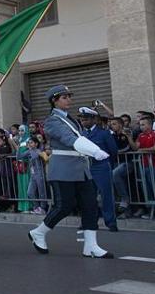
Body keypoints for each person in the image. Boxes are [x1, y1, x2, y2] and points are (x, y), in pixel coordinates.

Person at [28, 85, 113, 258]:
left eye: (69, 96)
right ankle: (39, 232)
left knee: (90, 206)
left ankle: (91, 246)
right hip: (63, 170)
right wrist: (95, 151)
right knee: (64, 206)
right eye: (64, 97)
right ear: (54, 101)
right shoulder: (52, 121)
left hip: (81, 169)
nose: (69, 100)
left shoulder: (71, 119)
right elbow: (70, 139)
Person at [78, 107, 119, 232]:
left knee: (106, 195)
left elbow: (113, 151)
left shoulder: (104, 133)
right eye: (82, 119)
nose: (83, 122)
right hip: (87, 167)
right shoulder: (82, 134)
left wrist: (107, 164)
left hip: (101, 166)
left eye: (86, 119)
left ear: (93, 119)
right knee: (88, 198)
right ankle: (89, 222)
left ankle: (110, 222)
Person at [21, 136, 47, 214]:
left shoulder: (38, 150)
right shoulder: (29, 151)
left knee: (41, 192)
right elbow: (19, 156)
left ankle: (43, 208)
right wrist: (20, 147)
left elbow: (42, 157)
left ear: (36, 144)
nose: (30, 144)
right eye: (29, 142)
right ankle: (36, 207)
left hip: (40, 174)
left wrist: (34, 151)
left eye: (31, 142)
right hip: (33, 174)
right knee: (30, 192)